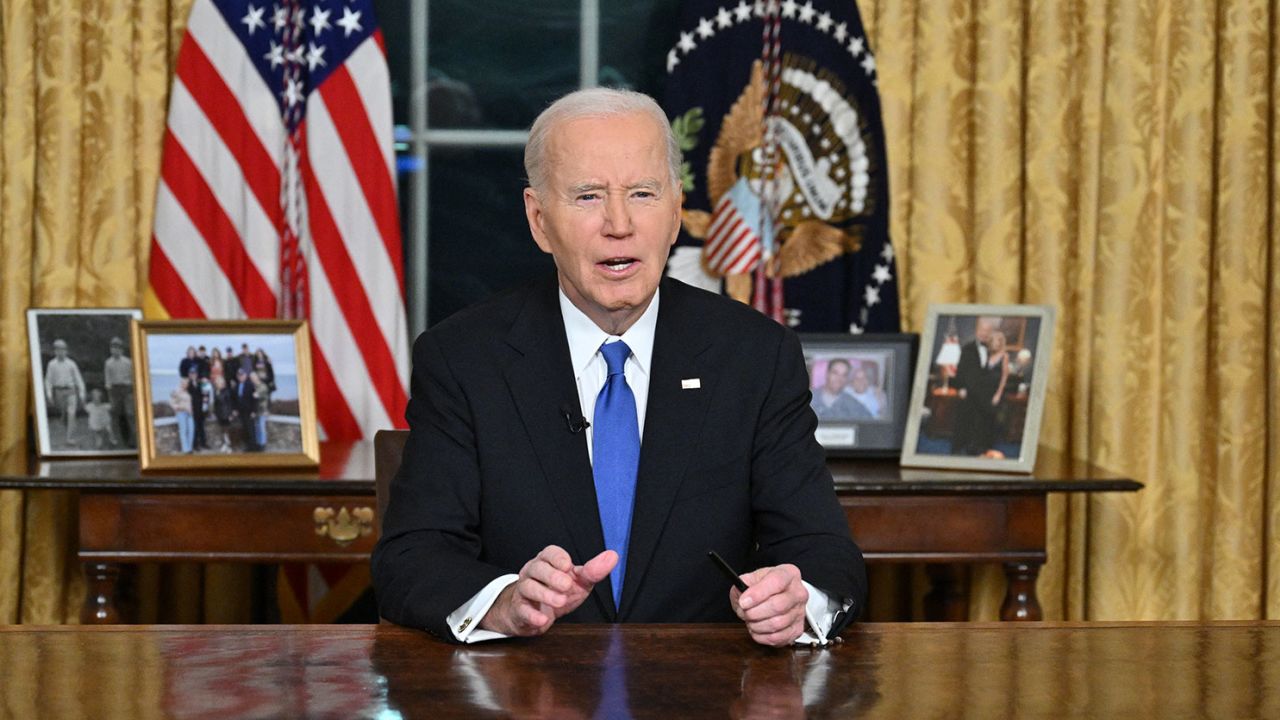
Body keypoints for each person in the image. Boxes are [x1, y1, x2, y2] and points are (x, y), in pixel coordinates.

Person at [373, 88, 864, 647]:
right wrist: (504, 602)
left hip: (705, 696)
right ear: (538, 219)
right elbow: (411, 558)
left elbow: (825, 551)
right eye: (587, 196)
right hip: (527, 692)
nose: (619, 223)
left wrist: (795, 602)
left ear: (677, 211)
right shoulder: (463, 358)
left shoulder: (755, 356)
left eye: (643, 193)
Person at [951, 317, 1000, 455]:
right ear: (976, 330)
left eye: (987, 331)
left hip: (985, 394)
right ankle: (959, 448)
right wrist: (960, 388)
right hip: (970, 393)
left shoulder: (995, 350)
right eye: (981, 330)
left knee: (984, 421)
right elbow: (960, 373)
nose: (984, 333)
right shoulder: (967, 349)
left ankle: (981, 448)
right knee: (966, 420)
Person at [44, 338, 86, 446]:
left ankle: (70, 438)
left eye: (62, 349)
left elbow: (78, 379)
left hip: (71, 391)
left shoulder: (71, 364)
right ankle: (68, 431)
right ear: (55, 351)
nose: (60, 352)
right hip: (59, 392)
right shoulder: (51, 364)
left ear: (66, 351)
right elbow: (48, 380)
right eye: (58, 350)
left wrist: (81, 392)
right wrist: (49, 393)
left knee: (71, 414)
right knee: (64, 416)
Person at [103, 336, 135, 447]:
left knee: (130, 413)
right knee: (117, 415)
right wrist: (110, 394)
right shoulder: (108, 363)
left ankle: (134, 439)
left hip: (127, 389)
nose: (115, 350)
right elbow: (108, 380)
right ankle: (121, 440)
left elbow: (133, 377)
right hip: (115, 390)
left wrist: (132, 390)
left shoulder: (128, 362)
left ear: (121, 349)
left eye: (117, 348)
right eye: (113, 348)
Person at [232, 367, 260, 451]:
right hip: (241, 411)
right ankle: (248, 446)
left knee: (251, 429)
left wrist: (254, 411)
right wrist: (235, 410)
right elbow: (234, 399)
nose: (240, 377)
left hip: (249, 411)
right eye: (239, 375)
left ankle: (254, 447)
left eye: (242, 375)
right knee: (245, 429)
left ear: (245, 376)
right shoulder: (236, 386)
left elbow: (255, 399)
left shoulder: (250, 385)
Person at [185, 368, 209, 451]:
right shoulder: (187, 385)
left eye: (194, 373)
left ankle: (204, 443)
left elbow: (205, 394)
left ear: (196, 374)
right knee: (194, 428)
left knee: (201, 427)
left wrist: (205, 406)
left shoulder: (200, 383)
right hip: (192, 409)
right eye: (191, 373)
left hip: (200, 409)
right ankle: (195, 445)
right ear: (189, 374)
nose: (193, 375)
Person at [170, 377, 194, 454]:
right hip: (181, 413)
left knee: (191, 430)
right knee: (183, 431)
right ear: (181, 383)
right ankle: (186, 450)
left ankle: (190, 448)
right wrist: (180, 407)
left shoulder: (187, 391)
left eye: (186, 383)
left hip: (189, 413)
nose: (185, 384)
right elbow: (172, 402)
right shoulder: (176, 391)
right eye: (183, 383)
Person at [212, 376, 234, 452]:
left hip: (226, 413)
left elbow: (230, 403)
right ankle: (225, 444)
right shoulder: (216, 391)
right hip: (220, 414)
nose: (218, 384)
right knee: (223, 430)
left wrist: (230, 414)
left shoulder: (226, 391)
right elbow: (215, 403)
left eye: (220, 383)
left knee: (227, 430)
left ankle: (229, 446)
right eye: (217, 383)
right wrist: (214, 412)